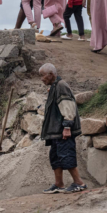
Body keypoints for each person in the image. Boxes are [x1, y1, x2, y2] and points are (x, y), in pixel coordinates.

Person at [39, 64, 87, 194]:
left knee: (66, 155)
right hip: (56, 131)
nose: (41, 79)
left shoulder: (61, 86)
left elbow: (68, 106)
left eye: (42, 75)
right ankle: (59, 184)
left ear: (51, 75)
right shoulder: (54, 87)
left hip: (63, 130)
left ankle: (79, 183)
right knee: (55, 157)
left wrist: (67, 126)